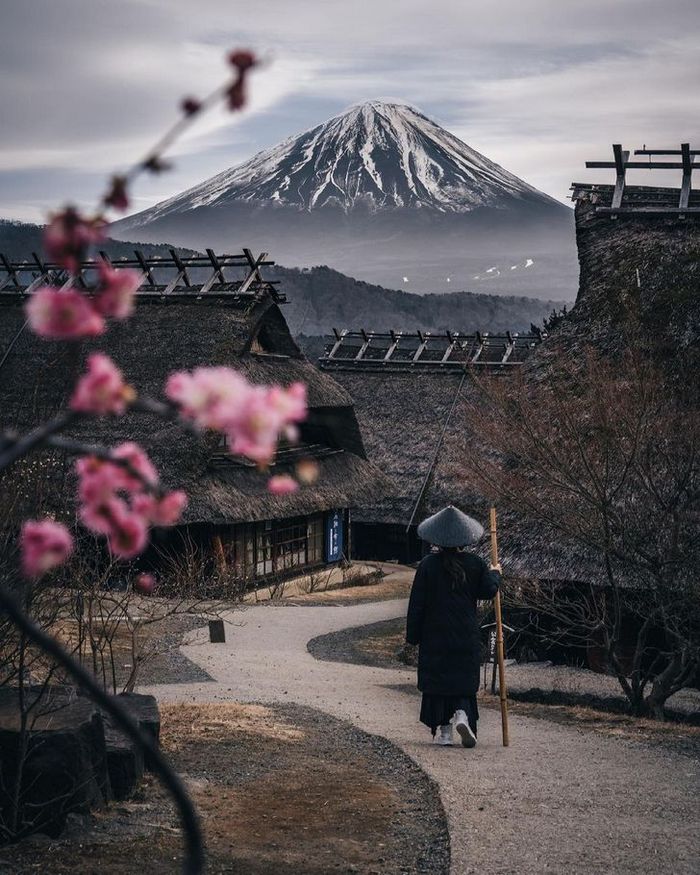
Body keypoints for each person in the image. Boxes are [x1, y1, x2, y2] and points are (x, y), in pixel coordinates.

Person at [406, 505, 501, 747]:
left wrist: (413, 637)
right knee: (462, 679)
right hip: (465, 633)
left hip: (434, 634)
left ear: (436, 539)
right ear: (465, 539)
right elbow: (488, 590)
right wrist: (495, 573)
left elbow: (417, 604)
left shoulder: (427, 565)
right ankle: (462, 713)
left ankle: (445, 733)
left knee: (438, 683)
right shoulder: (475, 564)